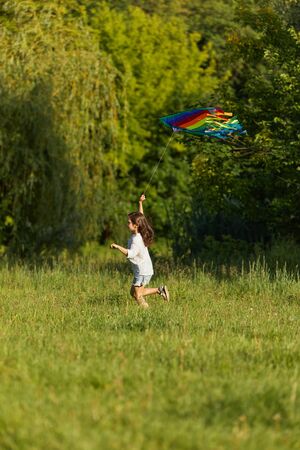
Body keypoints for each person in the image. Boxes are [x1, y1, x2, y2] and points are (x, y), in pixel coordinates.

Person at [110, 194, 169, 308]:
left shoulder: (136, 240)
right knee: (133, 293)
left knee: (138, 295)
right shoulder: (139, 232)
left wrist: (117, 247)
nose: (127, 224)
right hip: (142, 270)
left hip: (143, 271)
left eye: (129, 222)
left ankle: (147, 313)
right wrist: (140, 203)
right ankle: (160, 290)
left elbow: (130, 253)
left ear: (136, 225)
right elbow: (141, 216)